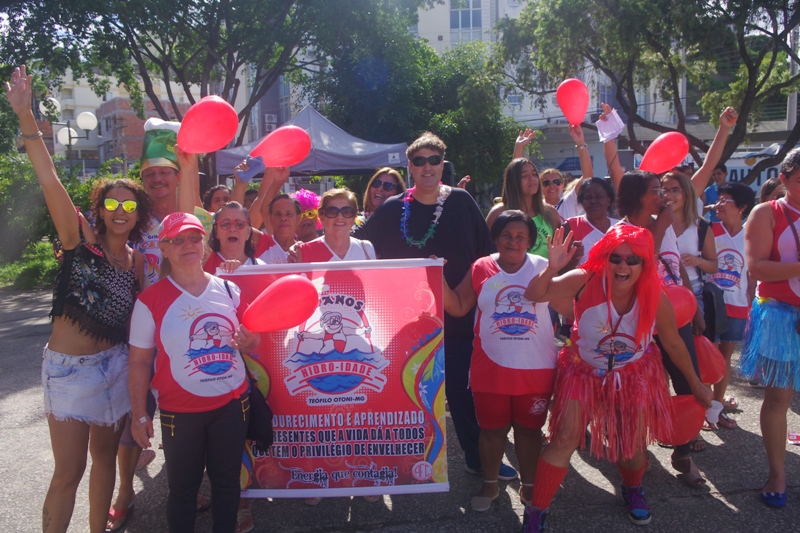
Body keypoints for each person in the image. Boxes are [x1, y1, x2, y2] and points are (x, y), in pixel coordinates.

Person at [7, 65, 150, 533]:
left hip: (115, 366)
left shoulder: (137, 262)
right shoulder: (79, 243)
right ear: (99, 210)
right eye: (111, 203)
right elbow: (50, 180)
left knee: (104, 460)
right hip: (69, 372)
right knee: (68, 471)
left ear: (138, 214)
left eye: (129, 205)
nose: (120, 211)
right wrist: (26, 116)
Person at [521, 225, 712, 531]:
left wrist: (696, 384)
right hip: (583, 370)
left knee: (631, 446)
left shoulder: (655, 295)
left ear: (644, 264)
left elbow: (674, 343)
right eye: (616, 257)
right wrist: (552, 268)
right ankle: (536, 509)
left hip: (632, 374)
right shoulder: (584, 279)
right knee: (565, 438)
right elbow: (533, 295)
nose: (623, 265)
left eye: (633, 260)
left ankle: (633, 488)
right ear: (604, 257)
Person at [354, 132, 517, 480]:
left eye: (434, 160)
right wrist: (307, 249)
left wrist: (467, 296)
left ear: (443, 164)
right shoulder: (393, 207)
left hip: (458, 316)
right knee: (401, 392)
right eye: (419, 161)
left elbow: (485, 255)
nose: (427, 167)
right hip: (405, 323)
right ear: (410, 167)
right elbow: (356, 247)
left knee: (462, 393)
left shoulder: (461, 201)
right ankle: (401, 460)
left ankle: (478, 459)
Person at [129, 212, 260, 532]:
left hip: (231, 405)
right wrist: (139, 413)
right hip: (180, 412)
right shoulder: (150, 300)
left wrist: (249, 341)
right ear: (164, 248)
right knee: (183, 490)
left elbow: (253, 338)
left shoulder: (229, 289)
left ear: (204, 243)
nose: (187, 245)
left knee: (227, 483)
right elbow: (139, 361)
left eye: (193, 238)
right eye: (177, 240)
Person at [443, 211, 559, 512]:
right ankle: (490, 484)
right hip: (491, 368)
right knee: (491, 431)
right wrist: (435, 277)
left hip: (536, 368)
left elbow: (574, 305)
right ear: (495, 238)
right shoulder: (481, 267)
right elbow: (458, 306)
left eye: (521, 236)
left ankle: (529, 487)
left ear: (530, 241)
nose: (513, 241)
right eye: (507, 235)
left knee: (529, 431)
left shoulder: (545, 266)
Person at [613, 169, 709, 487]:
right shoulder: (621, 231)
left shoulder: (662, 223)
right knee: (640, 394)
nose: (663, 195)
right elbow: (640, 261)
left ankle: (684, 453)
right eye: (656, 190)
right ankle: (637, 455)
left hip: (676, 316)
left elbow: (674, 263)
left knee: (688, 383)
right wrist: (661, 226)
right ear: (637, 196)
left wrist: (693, 307)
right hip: (638, 325)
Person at [738, 147, 800, 508]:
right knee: (779, 398)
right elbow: (757, 267)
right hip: (780, 316)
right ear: (785, 178)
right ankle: (778, 474)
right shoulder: (767, 212)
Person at [705, 183, 756, 429]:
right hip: (710, 303)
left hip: (737, 306)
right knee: (706, 356)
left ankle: (716, 410)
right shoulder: (708, 229)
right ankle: (702, 410)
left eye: (725, 200)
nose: (719, 205)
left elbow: (752, 276)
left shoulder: (752, 235)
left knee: (724, 358)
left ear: (742, 207)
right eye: (719, 199)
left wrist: (751, 304)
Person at [486, 158, 563, 259]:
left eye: (534, 174)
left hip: (545, 269)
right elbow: (484, 249)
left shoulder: (551, 213)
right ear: (513, 181)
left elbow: (560, 253)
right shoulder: (498, 212)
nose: (532, 178)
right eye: (524, 175)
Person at [295, 188, 376, 262]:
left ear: (354, 216)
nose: (340, 217)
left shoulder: (366, 249)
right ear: (321, 217)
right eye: (332, 212)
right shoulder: (305, 252)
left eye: (347, 212)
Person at [562, 177, 618, 265]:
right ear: (581, 201)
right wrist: (574, 258)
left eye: (599, 197)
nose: (593, 201)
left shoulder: (621, 227)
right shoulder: (570, 226)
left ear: (608, 200)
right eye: (588, 197)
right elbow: (560, 270)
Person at [203, 202, 265, 273]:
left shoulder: (260, 268)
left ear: (248, 232)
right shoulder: (204, 261)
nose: (232, 229)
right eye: (225, 224)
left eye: (240, 224)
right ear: (216, 231)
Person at [257, 194, 301, 264]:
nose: (283, 218)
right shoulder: (260, 243)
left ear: (298, 218)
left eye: (288, 214)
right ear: (270, 218)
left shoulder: (304, 250)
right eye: (278, 214)